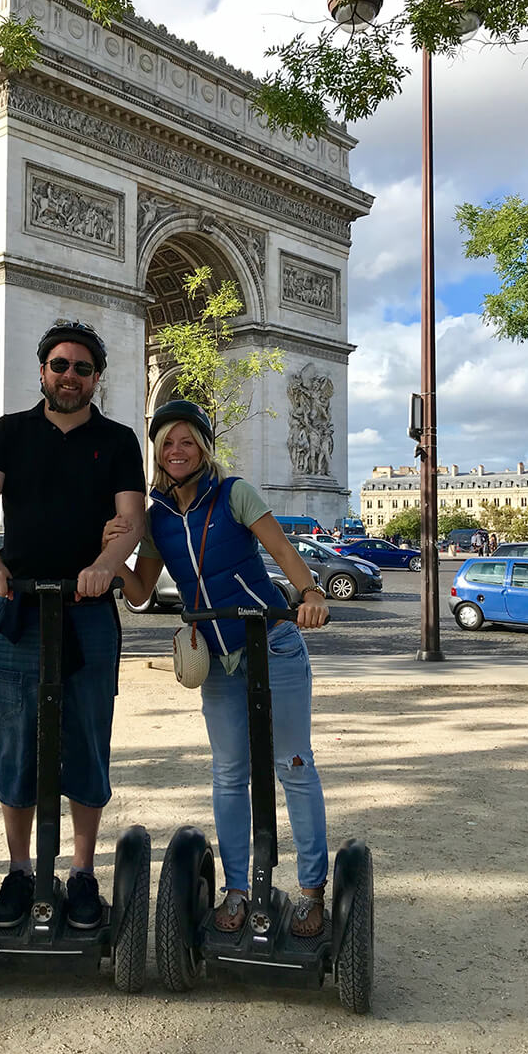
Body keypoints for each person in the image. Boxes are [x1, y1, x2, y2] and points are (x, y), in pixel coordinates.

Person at [104, 399, 330, 937]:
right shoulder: (156, 518)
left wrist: (311, 591)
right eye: (166, 443)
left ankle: (312, 890)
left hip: (273, 643)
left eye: (186, 441)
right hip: (219, 660)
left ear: (203, 447)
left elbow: (282, 550)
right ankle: (236, 888)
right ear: (156, 454)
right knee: (228, 775)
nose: (175, 451)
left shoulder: (236, 493)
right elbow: (138, 592)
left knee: (293, 765)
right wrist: (110, 553)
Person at [0, 320, 146, 932]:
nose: (70, 376)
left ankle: (84, 871)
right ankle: (19, 870)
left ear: (98, 378)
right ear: (42, 370)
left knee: (89, 742)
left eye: (83, 368)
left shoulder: (120, 439)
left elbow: (132, 520)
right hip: (19, 608)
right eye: (60, 365)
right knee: (15, 744)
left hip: (88, 611)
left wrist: (103, 566)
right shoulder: (8, 433)